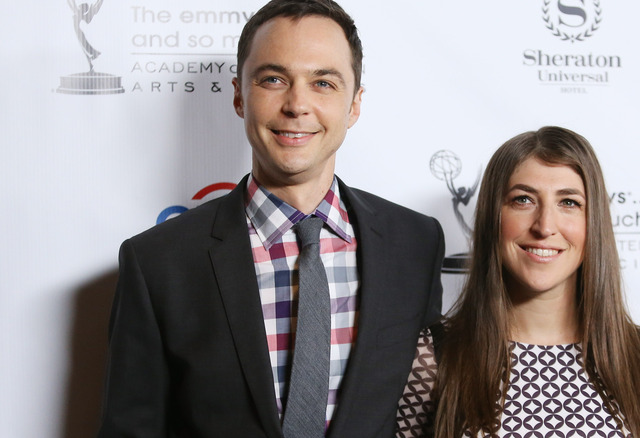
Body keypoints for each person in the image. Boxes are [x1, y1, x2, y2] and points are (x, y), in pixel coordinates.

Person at [97, 1, 444, 437]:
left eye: (323, 82)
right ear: (240, 95)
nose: (297, 104)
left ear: (354, 105)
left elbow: (425, 414)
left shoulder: (415, 243)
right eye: (274, 79)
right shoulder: (158, 262)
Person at [396, 127, 640, 437]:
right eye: (523, 200)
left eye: (569, 203)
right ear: (494, 216)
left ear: (594, 222)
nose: (545, 226)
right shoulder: (432, 357)